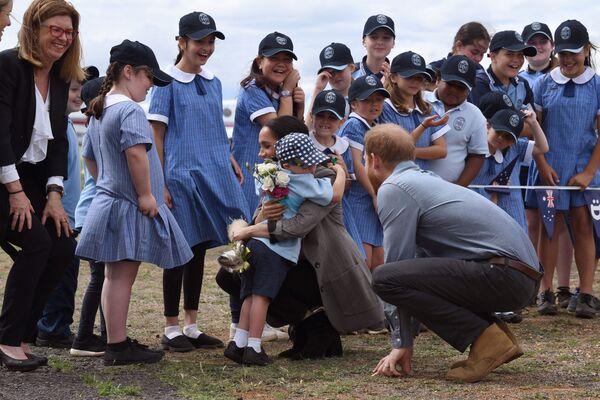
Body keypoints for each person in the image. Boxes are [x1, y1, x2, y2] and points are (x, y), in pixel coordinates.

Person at [366, 124, 541, 383]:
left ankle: (485, 340)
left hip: (504, 275)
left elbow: (395, 269)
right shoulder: (426, 181)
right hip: (521, 278)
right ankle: (494, 335)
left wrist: (401, 342)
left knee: (383, 277)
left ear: (373, 159)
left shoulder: (395, 187)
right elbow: (420, 267)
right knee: (401, 275)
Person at [216, 116, 382, 361]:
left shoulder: (320, 177)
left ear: (289, 148)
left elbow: (298, 226)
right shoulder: (276, 175)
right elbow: (262, 218)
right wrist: (261, 214)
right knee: (231, 276)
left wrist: (250, 230)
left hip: (322, 268)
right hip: (291, 258)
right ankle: (299, 323)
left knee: (258, 277)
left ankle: (318, 321)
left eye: (267, 146)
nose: (261, 154)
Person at [76, 40, 193, 366]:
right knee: (122, 277)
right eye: (147, 77)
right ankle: (117, 346)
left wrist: (109, 184)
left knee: (114, 277)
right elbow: (136, 154)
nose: (150, 85)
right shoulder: (127, 109)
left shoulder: (100, 109)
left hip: (111, 202)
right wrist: (143, 194)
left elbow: (90, 159)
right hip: (128, 205)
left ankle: (116, 341)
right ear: (128, 72)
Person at [148, 11, 249, 353]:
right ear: (181, 42)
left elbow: (215, 129)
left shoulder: (214, 82)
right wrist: (159, 182)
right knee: (180, 249)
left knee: (200, 247)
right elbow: (156, 135)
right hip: (180, 176)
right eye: (199, 41)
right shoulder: (165, 83)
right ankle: (171, 325)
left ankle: (191, 323)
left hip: (213, 170)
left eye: (210, 41)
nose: (205, 47)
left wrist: (230, 157)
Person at [0, 0, 84, 372]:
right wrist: (15, 192)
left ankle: (19, 333)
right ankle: (7, 339)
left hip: (35, 180)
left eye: (69, 31)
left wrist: (54, 194)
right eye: (56, 29)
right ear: (34, 28)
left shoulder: (61, 77)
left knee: (63, 246)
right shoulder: (6, 66)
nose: (63, 37)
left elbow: (58, 142)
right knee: (36, 243)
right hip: (4, 177)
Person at [224, 133, 346, 366]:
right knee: (262, 297)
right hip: (276, 249)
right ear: (289, 164)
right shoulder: (303, 181)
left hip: (255, 244)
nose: (312, 166)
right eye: (307, 162)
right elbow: (335, 195)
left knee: (248, 295)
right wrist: (340, 172)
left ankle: (238, 343)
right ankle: (254, 347)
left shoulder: (274, 175)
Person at [526, 20, 600, 318]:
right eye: (563, 53)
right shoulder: (543, 84)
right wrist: (542, 165)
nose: (568, 59)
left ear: (585, 50)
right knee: (549, 226)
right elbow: (534, 130)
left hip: (584, 166)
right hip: (548, 164)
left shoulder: (597, 84)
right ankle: (546, 290)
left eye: (574, 52)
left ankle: (586, 292)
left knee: (583, 226)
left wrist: (587, 172)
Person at [36, 67, 96, 348]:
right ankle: (52, 327)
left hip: (69, 212)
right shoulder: (53, 123)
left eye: (81, 89)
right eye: (73, 89)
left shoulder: (69, 123)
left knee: (63, 267)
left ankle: (49, 324)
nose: (79, 94)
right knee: (63, 267)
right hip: (57, 211)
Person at [232, 31, 305, 213]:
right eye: (274, 58)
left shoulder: (277, 91)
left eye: (287, 59)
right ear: (260, 61)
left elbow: (297, 136)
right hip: (249, 177)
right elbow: (281, 133)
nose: (281, 64)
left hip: (274, 179)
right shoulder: (252, 89)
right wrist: (288, 92)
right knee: (249, 230)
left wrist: (300, 106)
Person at [70, 76, 108, 357]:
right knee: (101, 277)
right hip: (95, 212)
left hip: (90, 212)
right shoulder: (99, 125)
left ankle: (107, 334)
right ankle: (84, 337)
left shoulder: (95, 124)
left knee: (106, 276)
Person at [338, 75, 389, 270]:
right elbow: (358, 166)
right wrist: (375, 194)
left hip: (372, 196)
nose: (374, 104)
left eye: (378, 99)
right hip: (358, 197)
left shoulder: (375, 125)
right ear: (353, 104)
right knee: (363, 260)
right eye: (367, 100)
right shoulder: (353, 125)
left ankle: (375, 302)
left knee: (379, 261)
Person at [308, 89, 365, 257]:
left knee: (347, 253)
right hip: (311, 206)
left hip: (339, 209)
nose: (325, 121)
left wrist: (344, 171)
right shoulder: (305, 142)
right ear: (312, 116)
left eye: (332, 117)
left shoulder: (344, 146)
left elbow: (347, 186)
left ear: (342, 122)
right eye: (321, 115)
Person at [380, 51, 449, 171]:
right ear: (393, 77)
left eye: (419, 78)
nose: (415, 82)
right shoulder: (385, 108)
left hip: (421, 180)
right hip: (394, 180)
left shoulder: (427, 109)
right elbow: (395, 151)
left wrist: (410, 153)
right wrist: (423, 126)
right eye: (409, 76)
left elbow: (442, 150)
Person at [424, 55, 487, 185]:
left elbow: (477, 155)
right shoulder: (419, 101)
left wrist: (459, 189)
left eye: (461, 87)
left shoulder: (475, 115)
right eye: (450, 84)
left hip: (448, 191)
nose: (454, 90)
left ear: (470, 89)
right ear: (438, 79)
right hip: (410, 186)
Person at [471, 30, 537, 109]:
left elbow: (533, 118)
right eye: (509, 54)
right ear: (493, 57)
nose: (516, 60)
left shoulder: (522, 83)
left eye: (520, 54)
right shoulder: (479, 83)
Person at [305, 42, 354, 130]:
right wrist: (318, 89)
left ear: (351, 68)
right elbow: (308, 130)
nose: (335, 76)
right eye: (330, 72)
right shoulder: (321, 98)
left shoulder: (363, 95)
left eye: (339, 70)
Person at [352, 14, 394, 80]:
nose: (380, 42)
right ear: (363, 41)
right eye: (374, 37)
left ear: (393, 43)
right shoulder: (350, 73)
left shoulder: (397, 77)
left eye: (386, 38)